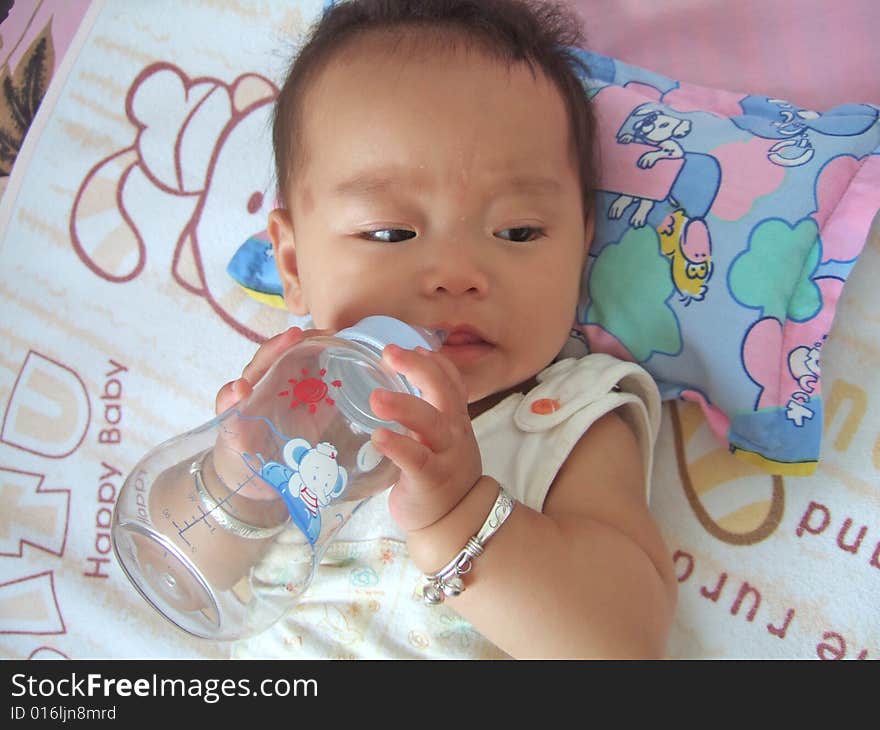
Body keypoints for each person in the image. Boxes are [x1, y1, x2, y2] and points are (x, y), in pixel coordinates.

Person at [215, 0, 677, 659]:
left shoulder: (566, 418)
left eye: (518, 231)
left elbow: (623, 644)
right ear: (292, 263)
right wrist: (240, 484)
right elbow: (191, 573)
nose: (458, 275)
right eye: (388, 232)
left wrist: (458, 518)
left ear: (581, 250)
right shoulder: (288, 408)